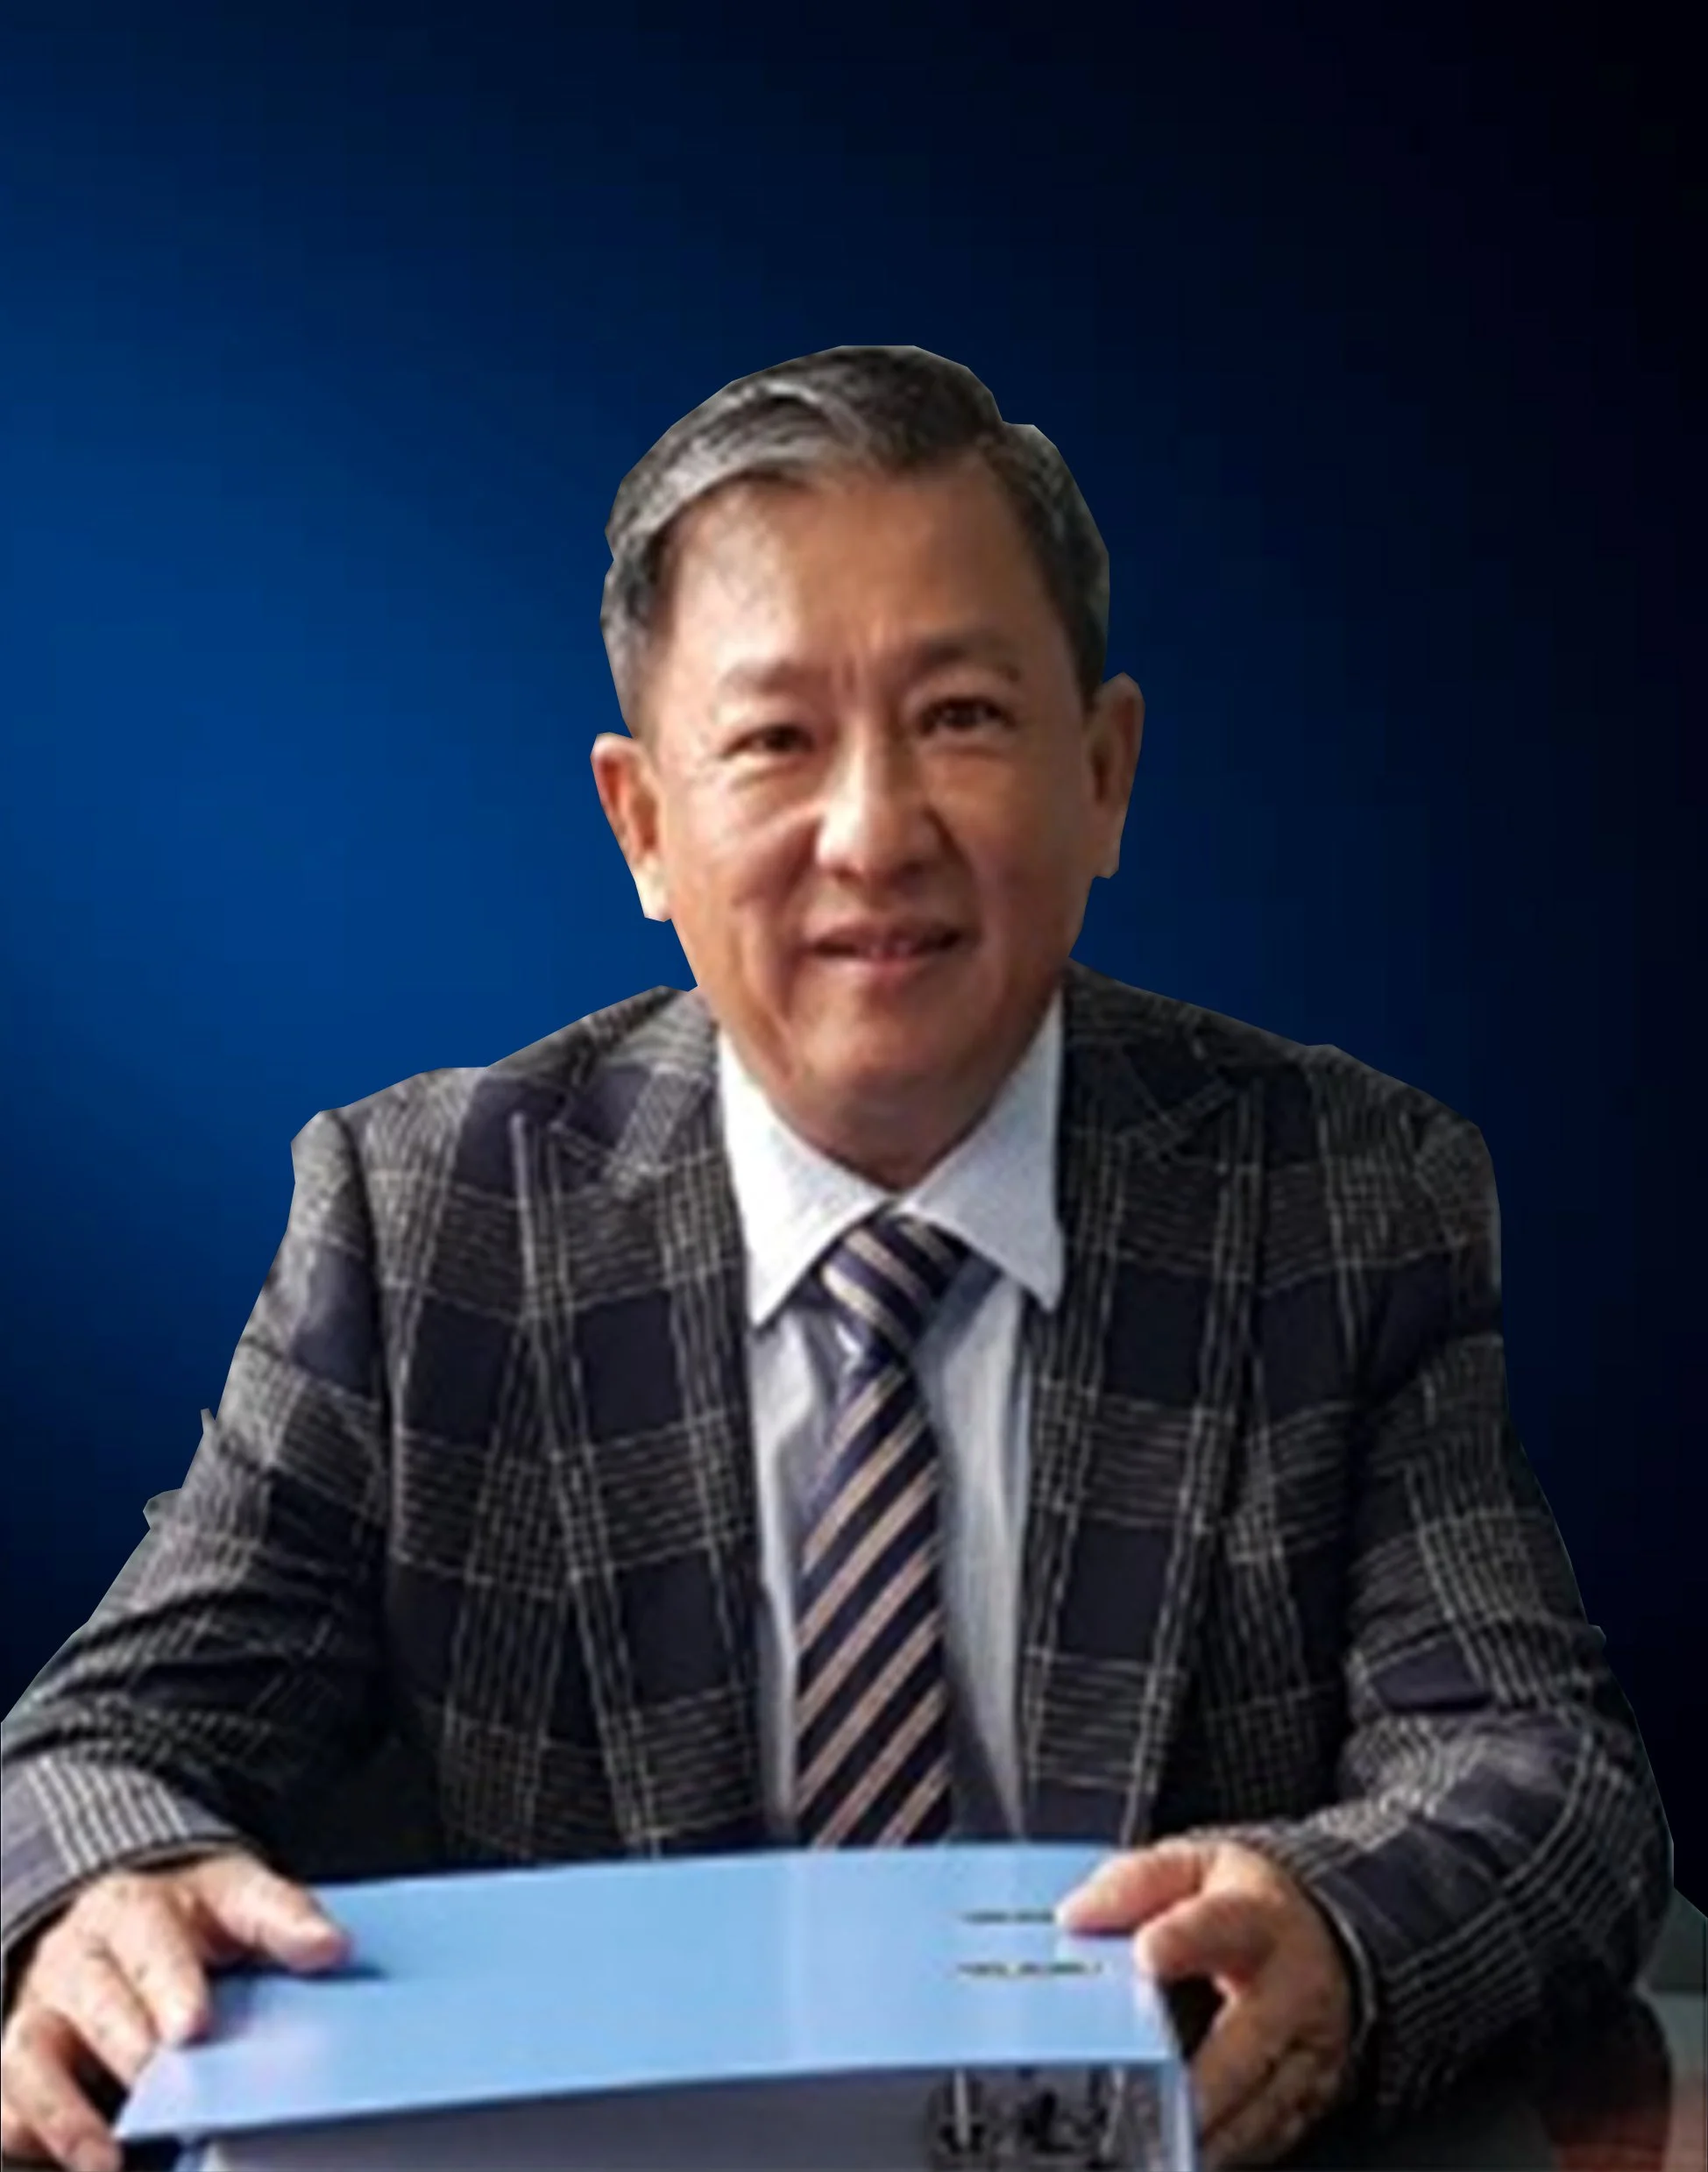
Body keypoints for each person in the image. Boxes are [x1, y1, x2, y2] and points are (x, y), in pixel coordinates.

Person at [0, 345, 1672, 2172]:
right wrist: (107, 1888)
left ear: (1102, 776)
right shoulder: (427, 1222)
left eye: (959, 718)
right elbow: (95, 1748)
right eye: (775, 740)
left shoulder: (1338, 1195)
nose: (872, 834)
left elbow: (1544, 1772)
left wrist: (1330, 1926)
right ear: (642, 821)